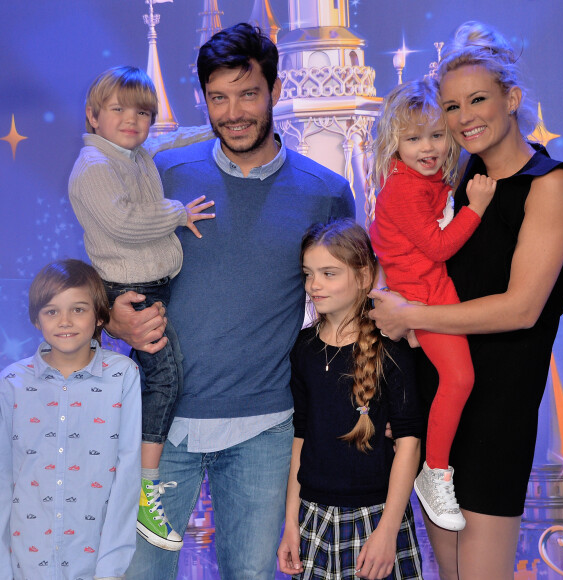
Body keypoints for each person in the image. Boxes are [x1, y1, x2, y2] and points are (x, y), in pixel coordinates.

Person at [102, 24, 355, 580]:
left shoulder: (326, 189)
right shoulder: (165, 174)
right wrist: (112, 317)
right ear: (203, 100)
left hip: (264, 431)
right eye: (219, 97)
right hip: (156, 427)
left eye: (248, 93)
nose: (233, 111)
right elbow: (103, 271)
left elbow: (346, 306)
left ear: (276, 91)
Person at [368, 21, 563, 580]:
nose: (464, 117)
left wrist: (409, 316)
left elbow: (521, 309)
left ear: (512, 100)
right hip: (437, 399)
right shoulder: (456, 187)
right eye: (451, 105)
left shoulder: (551, 184)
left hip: (499, 408)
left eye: (479, 99)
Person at [68, 65, 216, 552]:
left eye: (144, 113)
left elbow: (169, 141)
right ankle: (141, 491)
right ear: (92, 117)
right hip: (132, 289)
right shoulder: (93, 168)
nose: (133, 121)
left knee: (139, 380)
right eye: (119, 110)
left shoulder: (132, 153)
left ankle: (117, 471)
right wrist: (179, 212)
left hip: (150, 283)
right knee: (165, 378)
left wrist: (216, 122)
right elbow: (125, 223)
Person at [368, 79, 496, 532]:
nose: (429, 147)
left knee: (454, 380)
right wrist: (476, 207)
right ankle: (435, 471)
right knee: (460, 377)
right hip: (423, 295)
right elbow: (439, 247)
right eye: (414, 138)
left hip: (426, 290)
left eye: (437, 135)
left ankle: (434, 468)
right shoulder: (403, 189)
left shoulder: (428, 179)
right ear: (393, 143)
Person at [277, 220, 423, 580]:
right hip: (313, 517)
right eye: (308, 274)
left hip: (377, 518)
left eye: (329, 273)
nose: (314, 285)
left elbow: (409, 442)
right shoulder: (303, 348)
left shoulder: (392, 347)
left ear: (363, 275)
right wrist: (291, 523)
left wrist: (389, 530)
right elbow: (301, 438)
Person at [0, 259, 142, 580]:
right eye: (51, 311)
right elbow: (2, 476)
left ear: (100, 316)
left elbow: (128, 474)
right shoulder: (11, 382)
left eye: (78, 309)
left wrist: (111, 568)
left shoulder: (122, 375)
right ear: (36, 319)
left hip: (93, 559)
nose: (65, 321)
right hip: (26, 561)